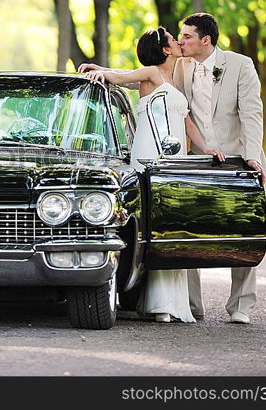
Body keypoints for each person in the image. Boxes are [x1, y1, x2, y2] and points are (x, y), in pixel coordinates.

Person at [79, 27, 224, 323]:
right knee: (156, 224)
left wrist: (206, 148)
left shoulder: (172, 79)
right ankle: (158, 304)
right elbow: (121, 77)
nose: (179, 41)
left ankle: (170, 304)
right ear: (166, 50)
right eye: (174, 39)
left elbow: (186, 123)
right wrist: (100, 71)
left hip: (175, 154)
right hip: (152, 153)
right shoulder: (151, 73)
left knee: (173, 223)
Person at [174, 12, 266, 325]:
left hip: (238, 158)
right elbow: (149, 79)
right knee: (188, 231)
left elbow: (252, 114)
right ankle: (191, 305)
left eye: (187, 36)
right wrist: (105, 72)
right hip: (195, 160)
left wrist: (251, 156)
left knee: (243, 233)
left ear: (206, 39)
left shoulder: (240, 65)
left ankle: (241, 305)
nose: (180, 41)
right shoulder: (179, 65)